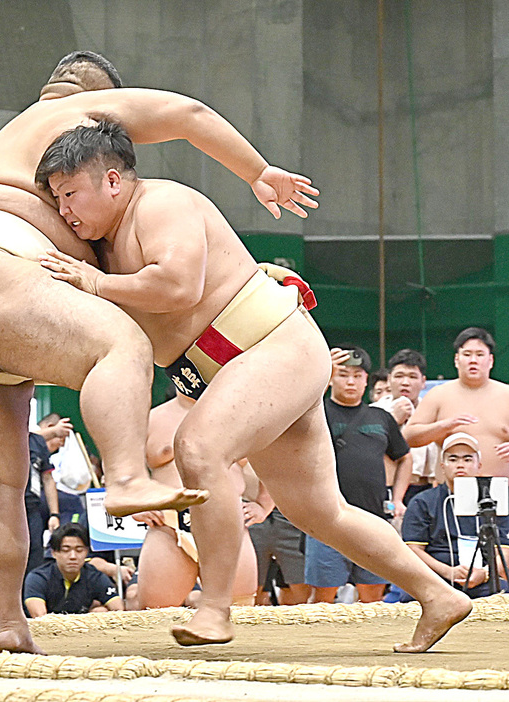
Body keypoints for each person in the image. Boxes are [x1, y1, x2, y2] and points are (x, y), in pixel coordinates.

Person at [0, 51, 315, 653]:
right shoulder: (75, 115)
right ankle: (125, 477)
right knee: (121, 344)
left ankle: (10, 624)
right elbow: (187, 113)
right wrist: (258, 171)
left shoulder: (7, 153)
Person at [36, 122, 472, 651]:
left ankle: (215, 608)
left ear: (111, 180)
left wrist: (96, 284)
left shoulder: (159, 205)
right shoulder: (106, 244)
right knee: (321, 511)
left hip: (270, 347)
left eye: (69, 195)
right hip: (240, 368)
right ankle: (438, 594)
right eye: (56, 200)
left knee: (198, 447)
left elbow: (178, 284)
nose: (64, 210)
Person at [130, 391, 263, 608]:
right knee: (155, 616)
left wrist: (263, 505)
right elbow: (122, 469)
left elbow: (275, 460)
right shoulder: (151, 419)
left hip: (228, 524)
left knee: (239, 614)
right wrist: (135, 504)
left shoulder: (242, 417)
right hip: (169, 526)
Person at [304, 346, 410, 604]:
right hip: (325, 519)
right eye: (343, 374)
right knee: (323, 600)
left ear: (366, 380)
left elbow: (404, 456)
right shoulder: (314, 413)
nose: (350, 381)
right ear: (330, 378)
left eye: (357, 375)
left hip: (373, 518)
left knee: (373, 596)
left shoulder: (381, 417)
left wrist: (398, 499)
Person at [401, 432, 509, 600]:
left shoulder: (495, 501)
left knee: (503, 595)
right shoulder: (423, 502)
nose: (460, 465)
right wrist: (449, 572)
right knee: (410, 598)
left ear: (478, 465)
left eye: (467, 459)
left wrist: (485, 573)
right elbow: (413, 550)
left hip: (484, 577)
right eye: (453, 459)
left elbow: (504, 550)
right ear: (442, 466)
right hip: (435, 577)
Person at [405, 328, 509, 478]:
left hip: (502, 490)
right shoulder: (438, 395)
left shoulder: (507, 395)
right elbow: (408, 437)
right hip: (450, 492)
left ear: (490, 360)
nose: (473, 360)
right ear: (456, 360)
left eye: (480, 355)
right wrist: (444, 425)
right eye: (467, 354)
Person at [372, 349, 437, 504]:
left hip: (426, 487)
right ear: (389, 380)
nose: (405, 383)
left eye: (413, 377)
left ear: (423, 382)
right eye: (399, 376)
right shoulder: (374, 411)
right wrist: (394, 420)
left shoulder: (432, 410)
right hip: (386, 487)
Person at [23, 523, 123, 615]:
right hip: (47, 631)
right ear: (54, 553)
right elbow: (40, 617)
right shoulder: (38, 577)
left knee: (101, 611)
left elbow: (119, 611)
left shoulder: (95, 576)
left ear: (87, 552)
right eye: (66, 550)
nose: (73, 556)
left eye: (79, 550)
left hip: (83, 631)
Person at [25, 431, 59, 574]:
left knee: (35, 558)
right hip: (1, 510)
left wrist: (54, 514)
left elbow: (48, 478)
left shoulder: (37, 441)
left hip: (31, 508)